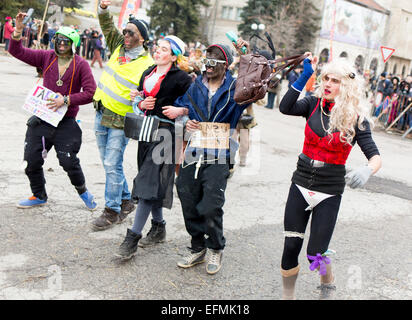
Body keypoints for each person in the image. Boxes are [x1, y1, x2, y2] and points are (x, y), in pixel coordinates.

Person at [278, 55, 382, 300]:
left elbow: (375, 157)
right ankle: (287, 296)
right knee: (291, 245)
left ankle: (327, 282)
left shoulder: (356, 119)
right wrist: (306, 75)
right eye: (325, 78)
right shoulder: (312, 104)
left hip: (329, 189)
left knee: (316, 254)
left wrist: (367, 170)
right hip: (301, 182)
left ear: (345, 86)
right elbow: (285, 107)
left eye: (334, 80)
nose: (328, 84)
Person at [173, 39, 250, 275]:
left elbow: (256, 84)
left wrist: (245, 55)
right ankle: (197, 246)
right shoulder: (196, 86)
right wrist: (187, 120)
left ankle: (215, 246)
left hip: (219, 151)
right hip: (195, 148)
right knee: (185, 191)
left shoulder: (236, 88)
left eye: (214, 61)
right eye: (206, 60)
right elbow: (181, 107)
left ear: (225, 65)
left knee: (210, 203)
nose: (208, 65)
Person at [9, 13, 98, 210]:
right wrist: (18, 30)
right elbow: (17, 52)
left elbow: (91, 93)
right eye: (59, 41)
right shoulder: (46, 57)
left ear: (73, 44)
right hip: (42, 119)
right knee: (31, 161)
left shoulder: (81, 65)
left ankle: (83, 191)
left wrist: (66, 100)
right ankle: (39, 194)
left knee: (69, 162)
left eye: (66, 42)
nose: (62, 45)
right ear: (54, 42)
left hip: (66, 122)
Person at [116, 35, 192, 259]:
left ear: (174, 55)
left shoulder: (182, 78)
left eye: (164, 49)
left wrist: (181, 110)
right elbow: (139, 99)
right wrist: (140, 102)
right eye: (157, 47)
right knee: (151, 180)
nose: (157, 51)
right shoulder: (148, 72)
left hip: (166, 133)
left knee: (147, 182)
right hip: (146, 130)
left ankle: (132, 237)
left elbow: (194, 104)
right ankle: (158, 226)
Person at [91, 0, 154, 231]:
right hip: (101, 112)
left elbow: (151, 94)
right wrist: (105, 9)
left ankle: (112, 211)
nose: (125, 35)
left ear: (142, 38)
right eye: (125, 31)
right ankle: (126, 200)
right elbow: (107, 26)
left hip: (121, 121)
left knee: (111, 163)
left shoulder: (148, 65)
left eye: (131, 32)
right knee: (109, 164)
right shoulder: (118, 46)